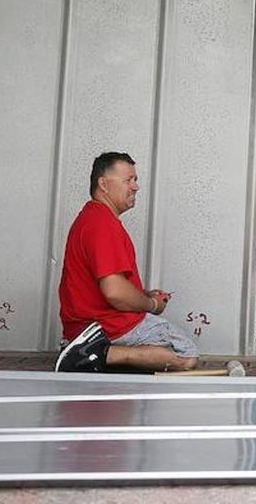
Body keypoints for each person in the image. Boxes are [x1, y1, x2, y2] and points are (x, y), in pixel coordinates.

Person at [55, 151, 201, 373]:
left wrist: (144, 294)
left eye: (135, 180)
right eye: (128, 180)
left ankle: (93, 352)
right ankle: (95, 354)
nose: (135, 187)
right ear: (103, 184)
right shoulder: (103, 224)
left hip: (88, 324)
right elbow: (115, 293)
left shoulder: (91, 218)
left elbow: (109, 285)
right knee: (185, 354)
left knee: (153, 354)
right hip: (108, 325)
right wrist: (152, 305)